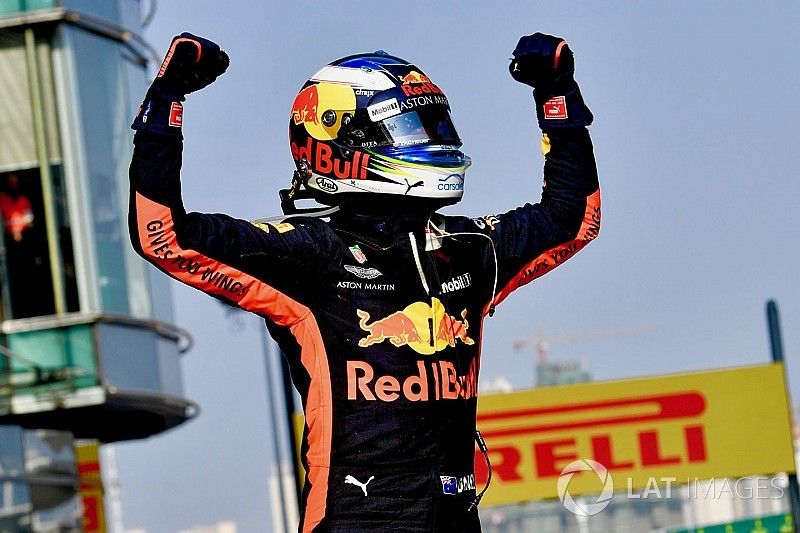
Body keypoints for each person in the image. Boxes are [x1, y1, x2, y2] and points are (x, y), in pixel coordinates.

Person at [129, 32, 600, 533]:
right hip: (356, 520)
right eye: (412, 126)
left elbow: (574, 220)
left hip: (457, 517)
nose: (432, 140)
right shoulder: (310, 253)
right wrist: (167, 104)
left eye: (433, 124)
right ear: (344, 145)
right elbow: (164, 237)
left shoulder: (469, 247)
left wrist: (555, 93)